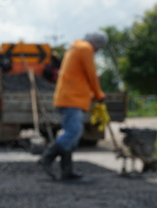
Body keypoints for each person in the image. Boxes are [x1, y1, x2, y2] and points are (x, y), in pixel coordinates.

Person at [38, 31, 108, 180]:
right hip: (71, 99)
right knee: (74, 131)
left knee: (72, 135)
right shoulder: (85, 49)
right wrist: (99, 94)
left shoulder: (76, 48)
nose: (97, 52)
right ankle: (47, 158)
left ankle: (66, 171)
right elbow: (92, 74)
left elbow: (82, 76)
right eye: (99, 48)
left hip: (69, 97)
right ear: (96, 43)